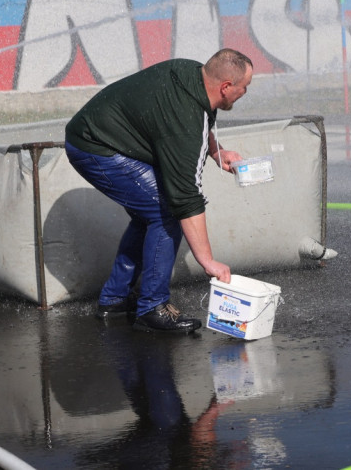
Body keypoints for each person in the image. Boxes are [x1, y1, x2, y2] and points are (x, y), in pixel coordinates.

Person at [65, 48, 253, 334]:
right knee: (165, 209)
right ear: (225, 87)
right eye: (244, 88)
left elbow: (186, 125)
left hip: (93, 135)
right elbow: (186, 197)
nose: (245, 93)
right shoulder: (189, 118)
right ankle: (152, 308)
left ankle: (115, 299)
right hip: (95, 146)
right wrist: (207, 261)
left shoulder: (193, 75)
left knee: (150, 211)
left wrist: (217, 152)